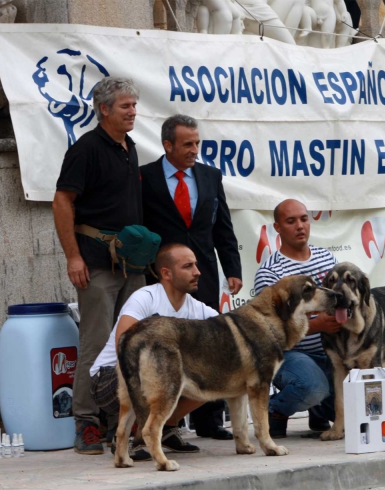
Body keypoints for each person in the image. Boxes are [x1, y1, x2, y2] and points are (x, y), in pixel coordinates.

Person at [53, 77, 144, 455]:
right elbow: (62, 201)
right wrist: (73, 256)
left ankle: (120, 421)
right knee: (96, 344)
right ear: (104, 109)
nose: (133, 112)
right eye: (125, 106)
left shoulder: (130, 147)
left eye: (134, 106)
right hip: (95, 264)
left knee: (132, 343)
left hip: (132, 265)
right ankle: (86, 423)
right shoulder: (86, 149)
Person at [140, 114, 242, 440]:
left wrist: (233, 270)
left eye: (197, 143)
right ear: (167, 145)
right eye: (187, 144)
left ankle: (209, 421)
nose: (194, 149)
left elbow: (222, 226)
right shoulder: (145, 178)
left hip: (203, 276)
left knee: (208, 346)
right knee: (162, 349)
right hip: (162, 279)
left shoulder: (211, 176)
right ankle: (158, 426)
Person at [91, 243, 220, 459]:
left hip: (158, 379)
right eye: (188, 266)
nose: (197, 272)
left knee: (214, 378)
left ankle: (165, 428)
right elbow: (122, 346)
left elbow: (226, 333)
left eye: (196, 265)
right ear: (166, 273)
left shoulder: (198, 308)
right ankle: (130, 438)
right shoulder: (146, 297)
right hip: (108, 378)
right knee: (159, 372)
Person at [253, 198, 342, 437]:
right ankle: (274, 410)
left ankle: (319, 409)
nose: (300, 226)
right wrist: (316, 325)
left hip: (331, 351)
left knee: (356, 410)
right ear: (278, 228)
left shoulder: (328, 259)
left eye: (304, 219)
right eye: (291, 221)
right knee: (312, 386)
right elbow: (270, 334)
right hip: (289, 355)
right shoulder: (270, 272)